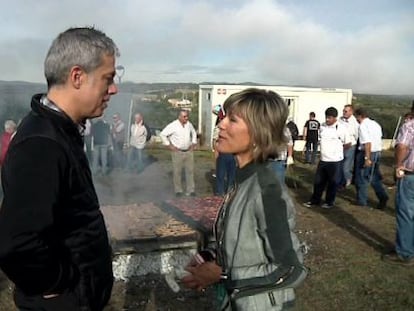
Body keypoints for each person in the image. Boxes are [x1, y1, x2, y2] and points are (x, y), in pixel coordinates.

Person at [0, 27, 119, 311]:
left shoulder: (58, 131)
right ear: (77, 76)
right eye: (108, 78)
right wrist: (61, 284)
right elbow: (16, 243)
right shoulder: (42, 144)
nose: (113, 88)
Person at [181, 88, 307, 310]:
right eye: (224, 117)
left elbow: (290, 269)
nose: (221, 125)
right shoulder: (241, 180)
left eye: (233, 120)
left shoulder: (266, 190)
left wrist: (222, 275)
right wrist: (208, 256)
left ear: (258, 133)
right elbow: (244, 243)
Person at [303, 107, 351, 209]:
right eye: (326, 117)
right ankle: (315, 200)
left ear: (335, 118)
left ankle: (329, 202)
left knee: (332, 182)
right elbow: (320, 139)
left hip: (335, 161)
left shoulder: (341, 128)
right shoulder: (322, 127)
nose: (328, 120)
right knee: (318, 182)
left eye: (330, 118)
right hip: (323, 160)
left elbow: (348, 143)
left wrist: (337, 151)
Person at [382, 117, 414, 265]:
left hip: (410, 175)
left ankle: (404, 252)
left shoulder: (409, 126)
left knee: (406, 213)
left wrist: (399, 165)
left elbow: (402, 146)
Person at [354, 108, 389, 208]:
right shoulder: (375, 124)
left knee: (362, 177)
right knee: (374, 177)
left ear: (359, 116)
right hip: (377, 152)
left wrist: (367, 158)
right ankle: (382, 196)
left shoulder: (363, 126)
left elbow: (367, 142)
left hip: (367, 152)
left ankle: (362, 201)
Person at [160, 109, 198, 197]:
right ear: (179, 117)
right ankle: (178, 191)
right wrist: (169, 146)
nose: (186, 118)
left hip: (188, 151)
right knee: (177, 172)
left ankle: (191, 190)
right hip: (177, 152)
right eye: (184, 116)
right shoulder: (173, 125)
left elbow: (194, 132)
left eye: (187, 116)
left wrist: (194, 142)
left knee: (190, 171)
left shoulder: (189, 124)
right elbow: (162, 134)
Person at [212, 106, 236, 196]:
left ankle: (229, 191)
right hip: (222, 153)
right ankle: (219, 191)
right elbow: (215, 140)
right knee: (220, 174)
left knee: (232, 174)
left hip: (232, 153)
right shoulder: (219, 127)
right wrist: (216, 152)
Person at [339, 104, 359, 187]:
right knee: (340, 165)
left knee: (346, 166)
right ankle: (342, 180)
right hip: (340, 145)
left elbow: (357, 135)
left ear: (351, 112)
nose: (344, 112)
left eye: (346, 111)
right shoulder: (340, 120)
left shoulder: (355, 122)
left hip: (350, 146)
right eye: (343, 111)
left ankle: (348, 180)